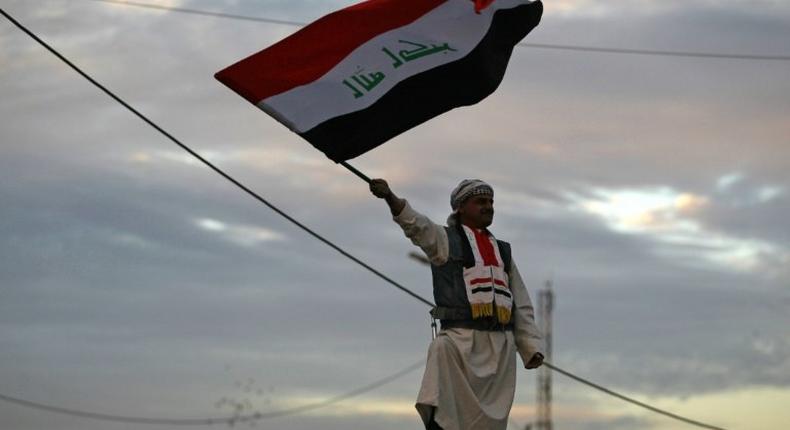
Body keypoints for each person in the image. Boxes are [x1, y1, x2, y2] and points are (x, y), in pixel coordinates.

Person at [369, 178, 544, 430]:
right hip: (460, 344)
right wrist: (390, 197)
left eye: (491, 202)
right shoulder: (445, 240)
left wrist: (530, 346)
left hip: (499, 349)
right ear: (461, 207)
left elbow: (521, 302)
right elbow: (416, 225)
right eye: (481, 201)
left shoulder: (502, 251)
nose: (488, 207)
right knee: (445, 399)